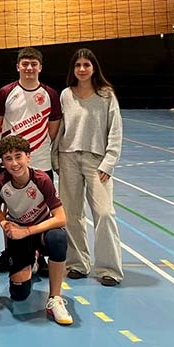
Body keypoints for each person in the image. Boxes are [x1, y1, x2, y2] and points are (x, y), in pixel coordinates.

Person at [55, 48, 124, 286]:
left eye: (86, 65)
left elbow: (115, 130)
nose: (82, 69)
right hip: (68, 159)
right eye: (78, 65)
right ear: (73, 70)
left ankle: (109, 268)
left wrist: (109, 162)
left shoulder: (106, 95)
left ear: (94, 68)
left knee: (105, 213)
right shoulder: (65, 95)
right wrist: (56, 159)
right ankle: (77, 263)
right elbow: (60, 129)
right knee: (71, 214)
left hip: (97, 162)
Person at [0, 47, 61, 274]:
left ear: (40, 67)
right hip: (12, 162)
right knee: (10, 207)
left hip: (40, 161)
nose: (29, 68)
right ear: (18, 66)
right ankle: (12, 251)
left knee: (42, 208)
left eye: (33, 64)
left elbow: (53, 128)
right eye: (25, 64)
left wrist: (34, 152)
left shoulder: (50, 94)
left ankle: (40, 254)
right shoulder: (5, 93)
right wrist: (13, 154)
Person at [0, 135, 72, 326]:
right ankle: (31, 261)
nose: (14, 163)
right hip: (18, 235)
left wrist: (28, 230)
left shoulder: (42, 180)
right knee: (18, 294)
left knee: (58, 238)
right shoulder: (1, 183)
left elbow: (61, 218)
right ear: (2, 162)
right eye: (8, 159)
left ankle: (55, 298)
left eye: (19, 156)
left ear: (28, 157)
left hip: (40, 232)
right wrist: (4, 224)